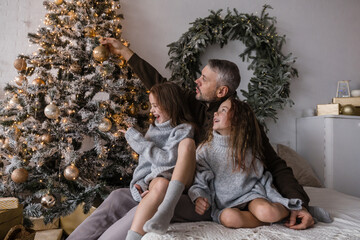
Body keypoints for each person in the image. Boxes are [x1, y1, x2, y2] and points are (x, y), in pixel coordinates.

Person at [68, 38, 314, 240]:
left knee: (149, 202)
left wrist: (300, 204)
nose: (197, 80)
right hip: (182, 185)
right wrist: (125, 52)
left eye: (204, 79)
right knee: (118, 198)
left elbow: (275, 165)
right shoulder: (196, 105)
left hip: (203, 199)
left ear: (221, 91)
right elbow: (162, 86)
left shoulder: (242, 122)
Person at [188, 96, 302, 228]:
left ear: (237, 120)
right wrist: (199, 197)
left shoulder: (248, 149)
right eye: (217, 110)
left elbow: (263, 178)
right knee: (229, 218)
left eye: (223, 110)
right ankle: (264, 221)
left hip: (252, 195)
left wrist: (276, 198)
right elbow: (199, 180)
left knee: (267, 212)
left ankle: (289, 210)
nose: (215, 113)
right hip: (226, 204)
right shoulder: (205, 150)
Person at [123, 82, 196, 239]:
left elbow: (167, 160)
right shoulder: (153, 129)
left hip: (174, 180)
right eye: (151, 105)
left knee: (162, 182)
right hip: (154, 181)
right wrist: (141, 186)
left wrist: (138, 141)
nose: (151, 110)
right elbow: (145, 167)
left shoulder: (183, 130)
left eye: (155, 105)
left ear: (170, 104)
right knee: (116, 198)